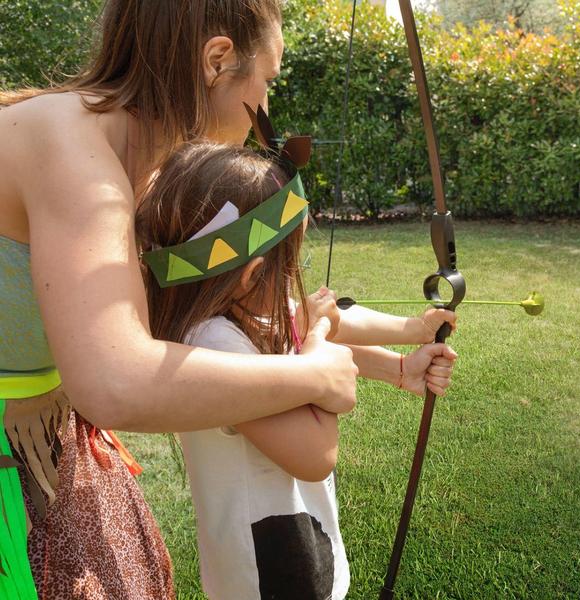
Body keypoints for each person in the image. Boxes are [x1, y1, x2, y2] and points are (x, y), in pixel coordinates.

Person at [0, 1, 456, 597]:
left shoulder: (153, 177)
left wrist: (396, 356)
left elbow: (262, 321)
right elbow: (115, 381)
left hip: (46, 434)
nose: (266, 109)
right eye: (267, 81)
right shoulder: (70, 148)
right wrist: (314, 378)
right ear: (218, 61)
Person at [136, 129, 456, 599]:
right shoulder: (217, 347)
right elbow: (314, 454)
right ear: (249, 275)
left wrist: (409, 344)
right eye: (294, 260)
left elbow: (314, 320)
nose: (299, 277)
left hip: (293, 538)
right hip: (270, 565)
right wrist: (319, 337)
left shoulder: (235, 309)